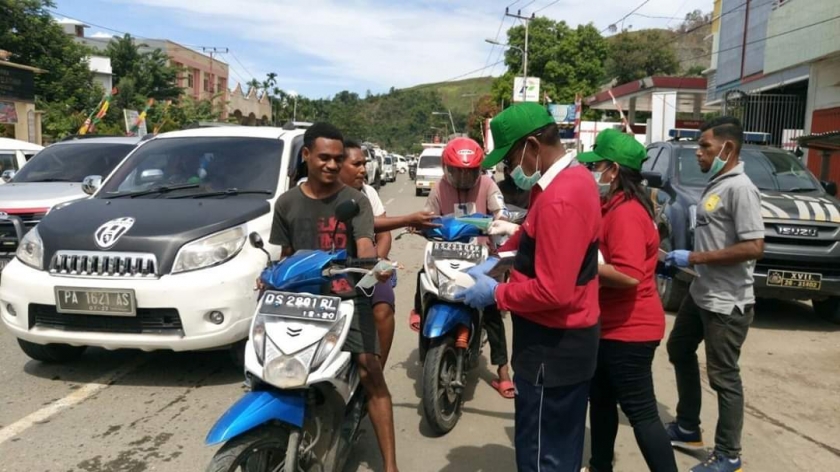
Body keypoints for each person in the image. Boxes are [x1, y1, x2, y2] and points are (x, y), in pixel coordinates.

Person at [457, 103, 601, 472]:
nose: (509, 168)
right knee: (559, 446)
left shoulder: (561, 198)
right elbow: (533, 233)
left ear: (534, 146)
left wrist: (495, 293)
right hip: (567, 340)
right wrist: (502, 256)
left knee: (542, 454)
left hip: (551, 347)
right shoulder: (571, 179)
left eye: (512, 157)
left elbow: (553, 292)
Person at [268, 123, 399, 472]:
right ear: (306, 155)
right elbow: (287, 254)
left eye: (337, 158)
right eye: (323, 157)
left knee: (370, 370)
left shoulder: (355, 201)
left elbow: (366, 244)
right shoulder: (286, 203)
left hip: (345, 297)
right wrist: (271, 278)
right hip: (300, 299)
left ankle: (390, 466)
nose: (330, 164)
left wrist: (372, 265)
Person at [663, 117, 764, 472]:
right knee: (678, 348)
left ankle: (728, 454)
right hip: (701, 290)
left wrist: (694, 257)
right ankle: (688, 426)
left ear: (728, 148)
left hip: (727, 301)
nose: (698, 152)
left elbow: (753, 246)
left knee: (724, 377)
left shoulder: (741, 188)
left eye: (705, 146)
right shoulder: (718, 183)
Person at [577, 129, 678, 472]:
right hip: (611, 326)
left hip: (629, 330)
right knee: (601, 401)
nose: (596, 173)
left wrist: (583, 264)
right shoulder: (618, 204)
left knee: (642, 413)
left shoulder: (627, 213)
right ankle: (599, 464)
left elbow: (630, 275)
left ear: (615, 170)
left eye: (600, 166)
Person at [412, 137, 514, 399]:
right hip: (446, 253)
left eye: (469, 171)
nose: (463, 176)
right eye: (457, 170)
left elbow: (500, 211)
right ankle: (418, 312)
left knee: (491, 311)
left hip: (482, 256)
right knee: (424, 277)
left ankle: (503, 370)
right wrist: (420, 225)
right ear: (447, 168)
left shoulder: (488, 184)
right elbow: (429, 215)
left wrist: (498, 224)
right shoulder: (439, 188)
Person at [339, 138, 438, 367]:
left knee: (383, 307)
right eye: (356, 164)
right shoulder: (323, 195)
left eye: (364, 163)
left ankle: (376, 372)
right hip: (331, 269)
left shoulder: (368, 193)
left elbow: (383, 233)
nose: (364, 169)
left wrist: (376, 264)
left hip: (365, 265)